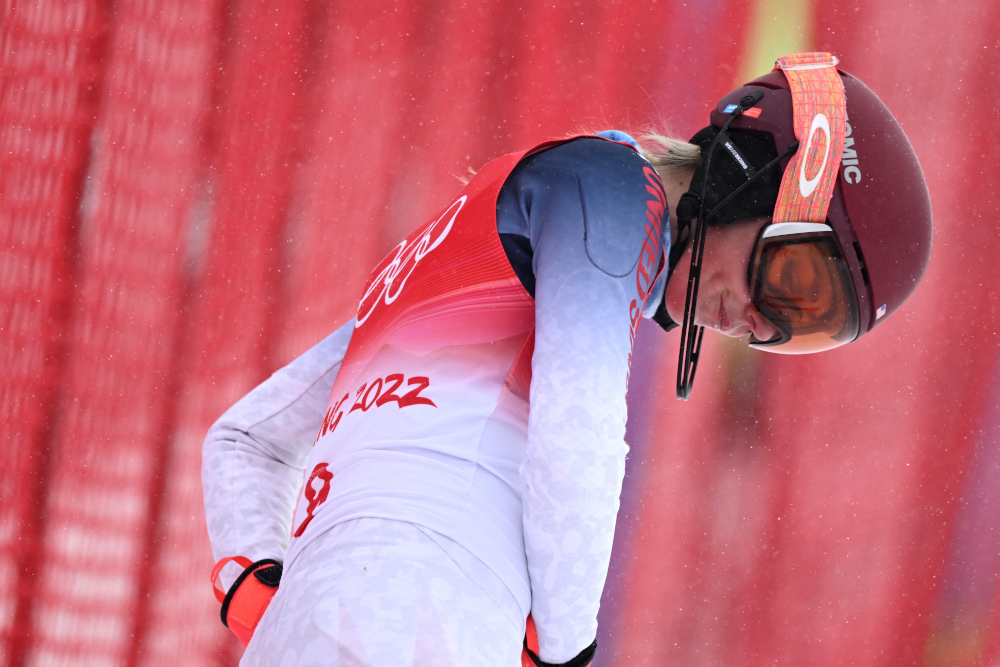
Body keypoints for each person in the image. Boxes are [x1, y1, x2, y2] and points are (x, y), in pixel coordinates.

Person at [203, 53, 931, 666]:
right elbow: (574, 439)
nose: (758, 323)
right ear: (746, 172)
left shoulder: (494, 235)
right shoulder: (609, 192)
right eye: (791, 282)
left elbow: (245, 441)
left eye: (800, 325)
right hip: (425, 615)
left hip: (338, 614)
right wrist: (564, 650)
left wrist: (265, 601)